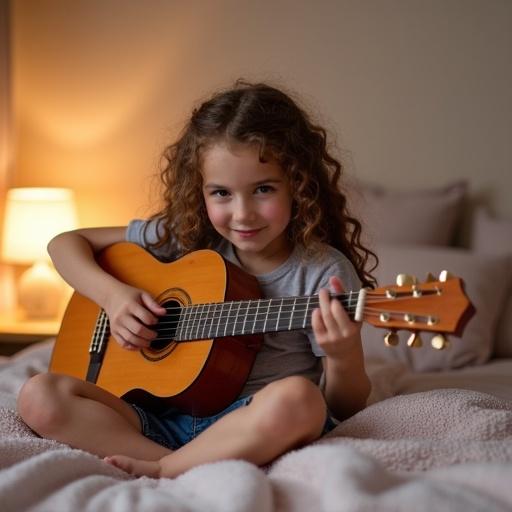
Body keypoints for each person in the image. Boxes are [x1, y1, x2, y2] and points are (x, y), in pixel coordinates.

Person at [17, 80, 376, 479]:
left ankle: (164, 468)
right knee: (38, 394)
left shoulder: (323, 272)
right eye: (221, 193)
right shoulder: (188, 238)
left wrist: (343, 356)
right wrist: (114, 298)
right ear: (199, 191)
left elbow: (345, 409)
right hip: (157, 420)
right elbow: (64, 244)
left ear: (299, 184)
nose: (242, 214)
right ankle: (170, 458)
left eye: (263, 189)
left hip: (249, 427)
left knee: (301, 400)